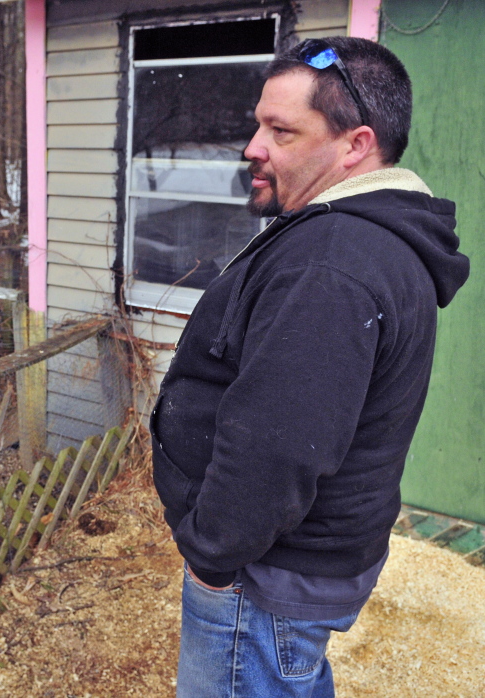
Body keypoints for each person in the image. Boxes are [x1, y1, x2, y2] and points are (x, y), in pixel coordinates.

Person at [150, 37, 470, 697]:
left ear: (353, 146)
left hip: (263, 577)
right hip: (293, 568)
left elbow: (277, 442)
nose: (252, 147)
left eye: (280, 130)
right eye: (257, 124)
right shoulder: (358, 239)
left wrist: (212, 560)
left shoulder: (333, 261)